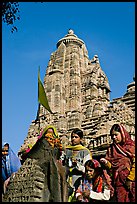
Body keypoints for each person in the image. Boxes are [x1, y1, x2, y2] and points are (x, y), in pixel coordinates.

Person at [100, 123, 135, 202]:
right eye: (112, 136)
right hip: (118, 182)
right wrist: (106, 163)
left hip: (131, 181)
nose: (114, 137)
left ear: (122, 134)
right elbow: (111, 167)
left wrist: (130, 179)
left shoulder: (131, 147)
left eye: (116, 135)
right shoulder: (112, 149)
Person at [60, 128, 92, 201]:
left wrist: (77, 165)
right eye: (72, 137)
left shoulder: (85, 152)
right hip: (66, 180)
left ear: (80, 139)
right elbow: (61, 163)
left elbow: (88, 169)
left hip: (79, 180)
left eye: (76, 137)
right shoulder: (66, 150)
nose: (73, 139)